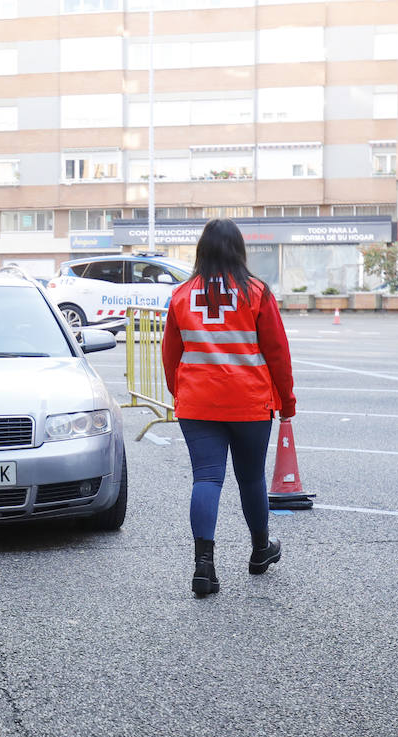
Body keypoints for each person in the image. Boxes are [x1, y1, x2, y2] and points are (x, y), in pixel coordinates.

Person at [161, 218, 296, 597]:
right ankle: (259, 551)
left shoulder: (182, 294)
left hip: (198, 403)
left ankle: (204, 568)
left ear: (202, 250)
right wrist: (287, 401)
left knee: (206, 479)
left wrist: (180, 393)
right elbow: (277, 353)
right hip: (249, 403)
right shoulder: (256, 292)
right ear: (239, 250)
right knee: (251, 478)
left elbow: (171, 355)